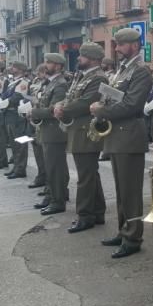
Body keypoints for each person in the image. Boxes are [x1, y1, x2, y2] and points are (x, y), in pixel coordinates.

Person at [92, 27, 153, 259]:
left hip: (130, 135)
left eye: (120, 44)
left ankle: (133, 237)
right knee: (121, 189)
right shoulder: (122, 71)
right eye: (116, 44)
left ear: (134, 46)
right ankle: (123, 230)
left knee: (130, 192)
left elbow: (132, 104)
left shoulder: (141, 71)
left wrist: (103, 110)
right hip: (118, 136)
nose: (116, 49)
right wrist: (102, 103)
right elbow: (116, 97)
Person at [54, 42, 107, 233]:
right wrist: (61, 105)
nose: (78, 58)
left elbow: (86, 103)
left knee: (85, 176)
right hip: (78, 130)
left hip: (86, 132)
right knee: (91, 173)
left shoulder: (98, 78)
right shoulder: (83, 76)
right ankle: (98, 211)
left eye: (82, 56)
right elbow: (71, 96)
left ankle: (85, 215)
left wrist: (63, 110)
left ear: (92, 58)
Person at [30, 53, 71, 215]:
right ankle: (53, 196)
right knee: (52, 167)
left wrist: (34, 112)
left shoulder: (60, 84)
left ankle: (57, 201)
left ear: (59, 66)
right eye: (46, 61)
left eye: (49, 62)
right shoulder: (49, 83)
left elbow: (54, 110)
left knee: (55, 168)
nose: (45, 64)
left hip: (55, 132)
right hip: (47, 131)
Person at [0, 62, 31, 180]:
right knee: (14, 144)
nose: (11, 69)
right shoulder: (13, 82)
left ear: (20, 69)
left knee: (21, 143)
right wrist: (2, 100)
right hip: (10, 114)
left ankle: (20, 169)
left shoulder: (23, 82)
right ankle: (16, 167)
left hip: (17, 116)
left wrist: (5, 102)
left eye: (13, 67)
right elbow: (5, 94)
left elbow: (17, 97)